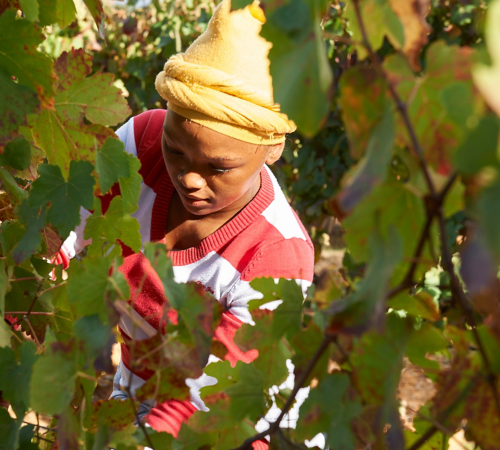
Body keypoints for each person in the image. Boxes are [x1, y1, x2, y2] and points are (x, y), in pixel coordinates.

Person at [57, 0, 314, 442]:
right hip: (141, 400)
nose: (189, 178)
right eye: (176, 150)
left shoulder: (276, 255)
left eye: (218, 167)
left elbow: (208, 401)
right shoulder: (140, 145)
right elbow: (62, 238)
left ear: (272, 149)